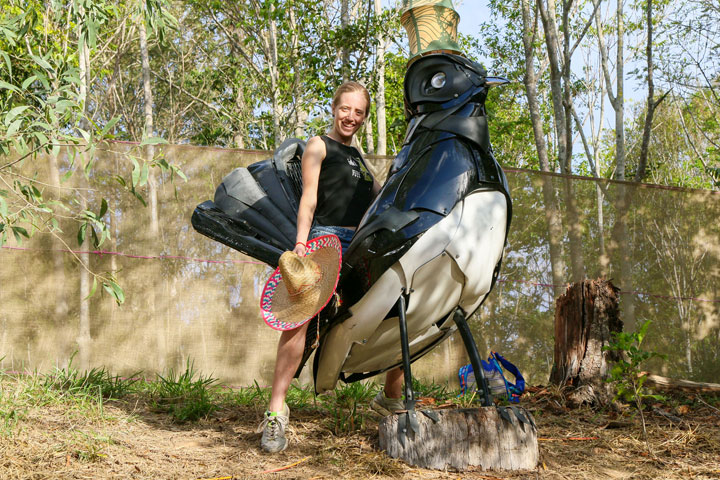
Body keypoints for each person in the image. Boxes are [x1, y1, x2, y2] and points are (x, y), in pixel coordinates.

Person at [256, 81, 405, 453]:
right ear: (335, 108)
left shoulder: (361, 162)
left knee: (404, 305)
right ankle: (276, 412)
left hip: (361, 244)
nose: (351, 117)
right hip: (325, 240)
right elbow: (309, 199)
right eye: (346, 109)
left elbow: (380, 203)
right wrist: (303, 245)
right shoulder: (319, 145)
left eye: (358, 112)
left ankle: (390, 397)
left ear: (364, 117)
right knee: (300, 317)